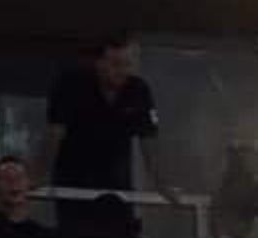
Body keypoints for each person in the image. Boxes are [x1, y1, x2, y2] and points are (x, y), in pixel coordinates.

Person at [37, 36, 172, 204]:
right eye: (116, 64)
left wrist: (160, 181)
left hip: (117, 182)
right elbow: (55, 132)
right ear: (99, 63)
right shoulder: (72, 83)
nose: (122, 71)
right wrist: (40, 173)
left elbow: (149, 139)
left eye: (127, 65)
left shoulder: (138, 89)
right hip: (74, 180)